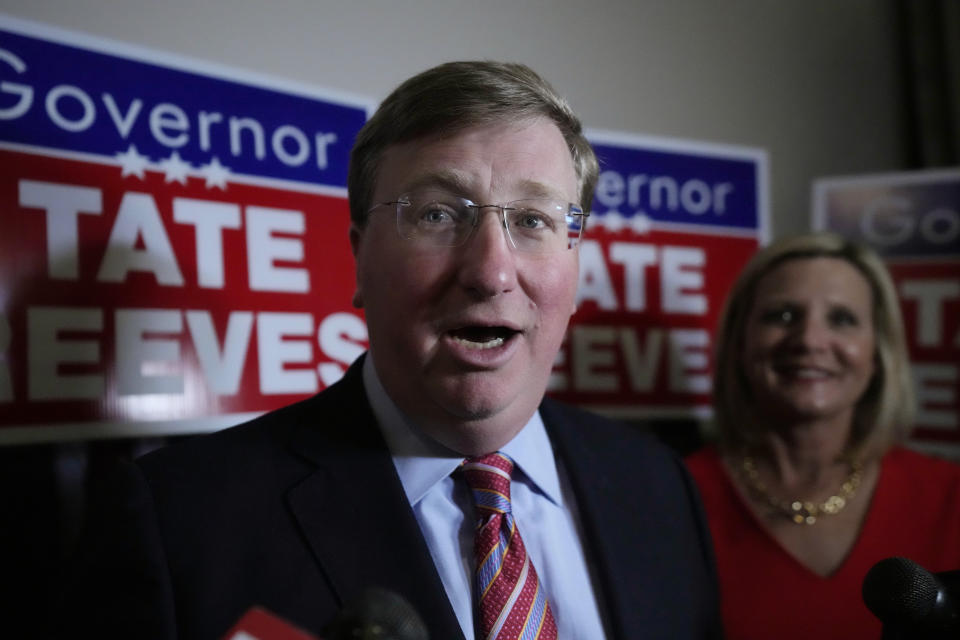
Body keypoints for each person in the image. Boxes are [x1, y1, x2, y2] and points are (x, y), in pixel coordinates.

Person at [53, 61, 722, 639]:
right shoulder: (181, 522)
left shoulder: (659, 486)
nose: (490, 271)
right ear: (358, 259)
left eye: (532, 220)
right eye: (437, 214)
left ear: (575, 269)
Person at [685, 231, 960, 640]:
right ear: (740, 344)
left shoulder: (950, 496)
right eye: (781, 315)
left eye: (842, 319)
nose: (811, 340)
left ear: (877, 352)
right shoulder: (673, 496)